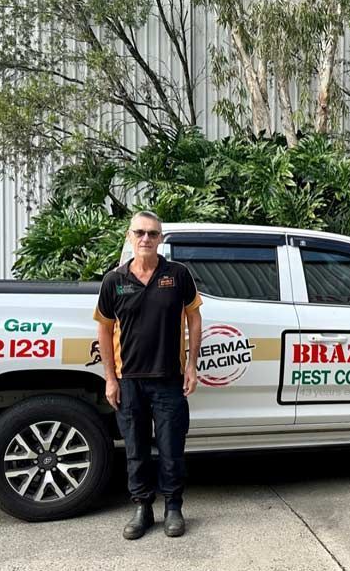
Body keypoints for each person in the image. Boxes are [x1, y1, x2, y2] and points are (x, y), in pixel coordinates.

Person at [93, 211, 203, 539]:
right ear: (129, 237)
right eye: (139, 232)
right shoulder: (114, 280)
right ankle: (142, 507)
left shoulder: (178, 275)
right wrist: (110, 378)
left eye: (152, 233)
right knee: (136, 449)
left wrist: (191, 365)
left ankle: (173, 507)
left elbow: (194, 318)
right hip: (129, 381)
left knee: (171, 447)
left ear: (161, 239)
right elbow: (104, 328)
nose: (146, 239)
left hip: (169, 379)